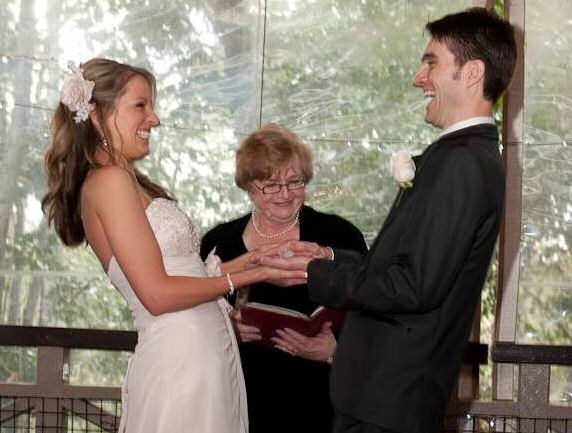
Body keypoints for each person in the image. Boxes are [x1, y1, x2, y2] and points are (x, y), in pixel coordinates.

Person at [259, 8, 517, 433]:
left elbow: (413, 286)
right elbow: (403, 264)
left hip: (390, 400)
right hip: (382, 397)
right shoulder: (459, 157)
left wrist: (312, 274)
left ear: (472, 72)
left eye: (431, 62)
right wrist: (327, 255)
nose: (419, 77)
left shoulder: (463, 164)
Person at [41, 59, 304, 433]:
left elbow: (181, 272)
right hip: (181, 361)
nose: (154, 118)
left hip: (202, 354)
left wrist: (252, 261)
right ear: (98, 115)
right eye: (140, 106)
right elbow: (158, 294)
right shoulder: (110, 181)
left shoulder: (131, 181)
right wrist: (252, 275)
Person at [200, 124, 367, 433]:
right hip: (242, 394)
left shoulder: (339, 236)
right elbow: (191, 311)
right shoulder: (218, 243)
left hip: (319, 396)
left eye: (295, 182)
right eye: (271, 185)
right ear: (249, 186)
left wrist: (336, 350)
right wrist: (225, 330)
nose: (286, 194)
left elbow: (374, 311)